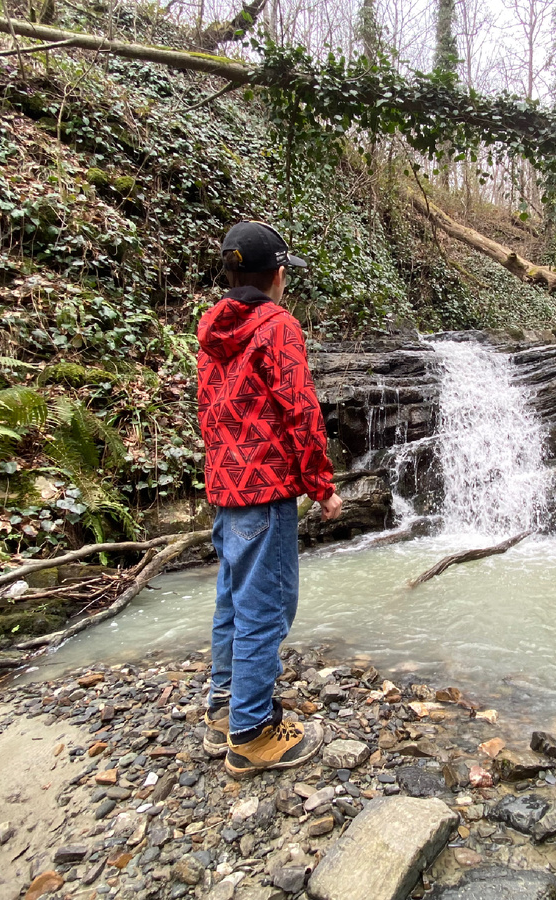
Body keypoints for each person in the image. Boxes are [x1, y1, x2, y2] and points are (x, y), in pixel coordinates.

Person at [195, 220, 343, 778]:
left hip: (225, 488)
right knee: (267, 609)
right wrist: (321, 487)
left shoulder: (213, 331)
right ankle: (251, 734)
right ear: (278, 276)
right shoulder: (278, 326)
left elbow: (214, 413)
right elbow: (299, 409)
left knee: (233, 600)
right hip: (265, 488)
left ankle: (223, 705)